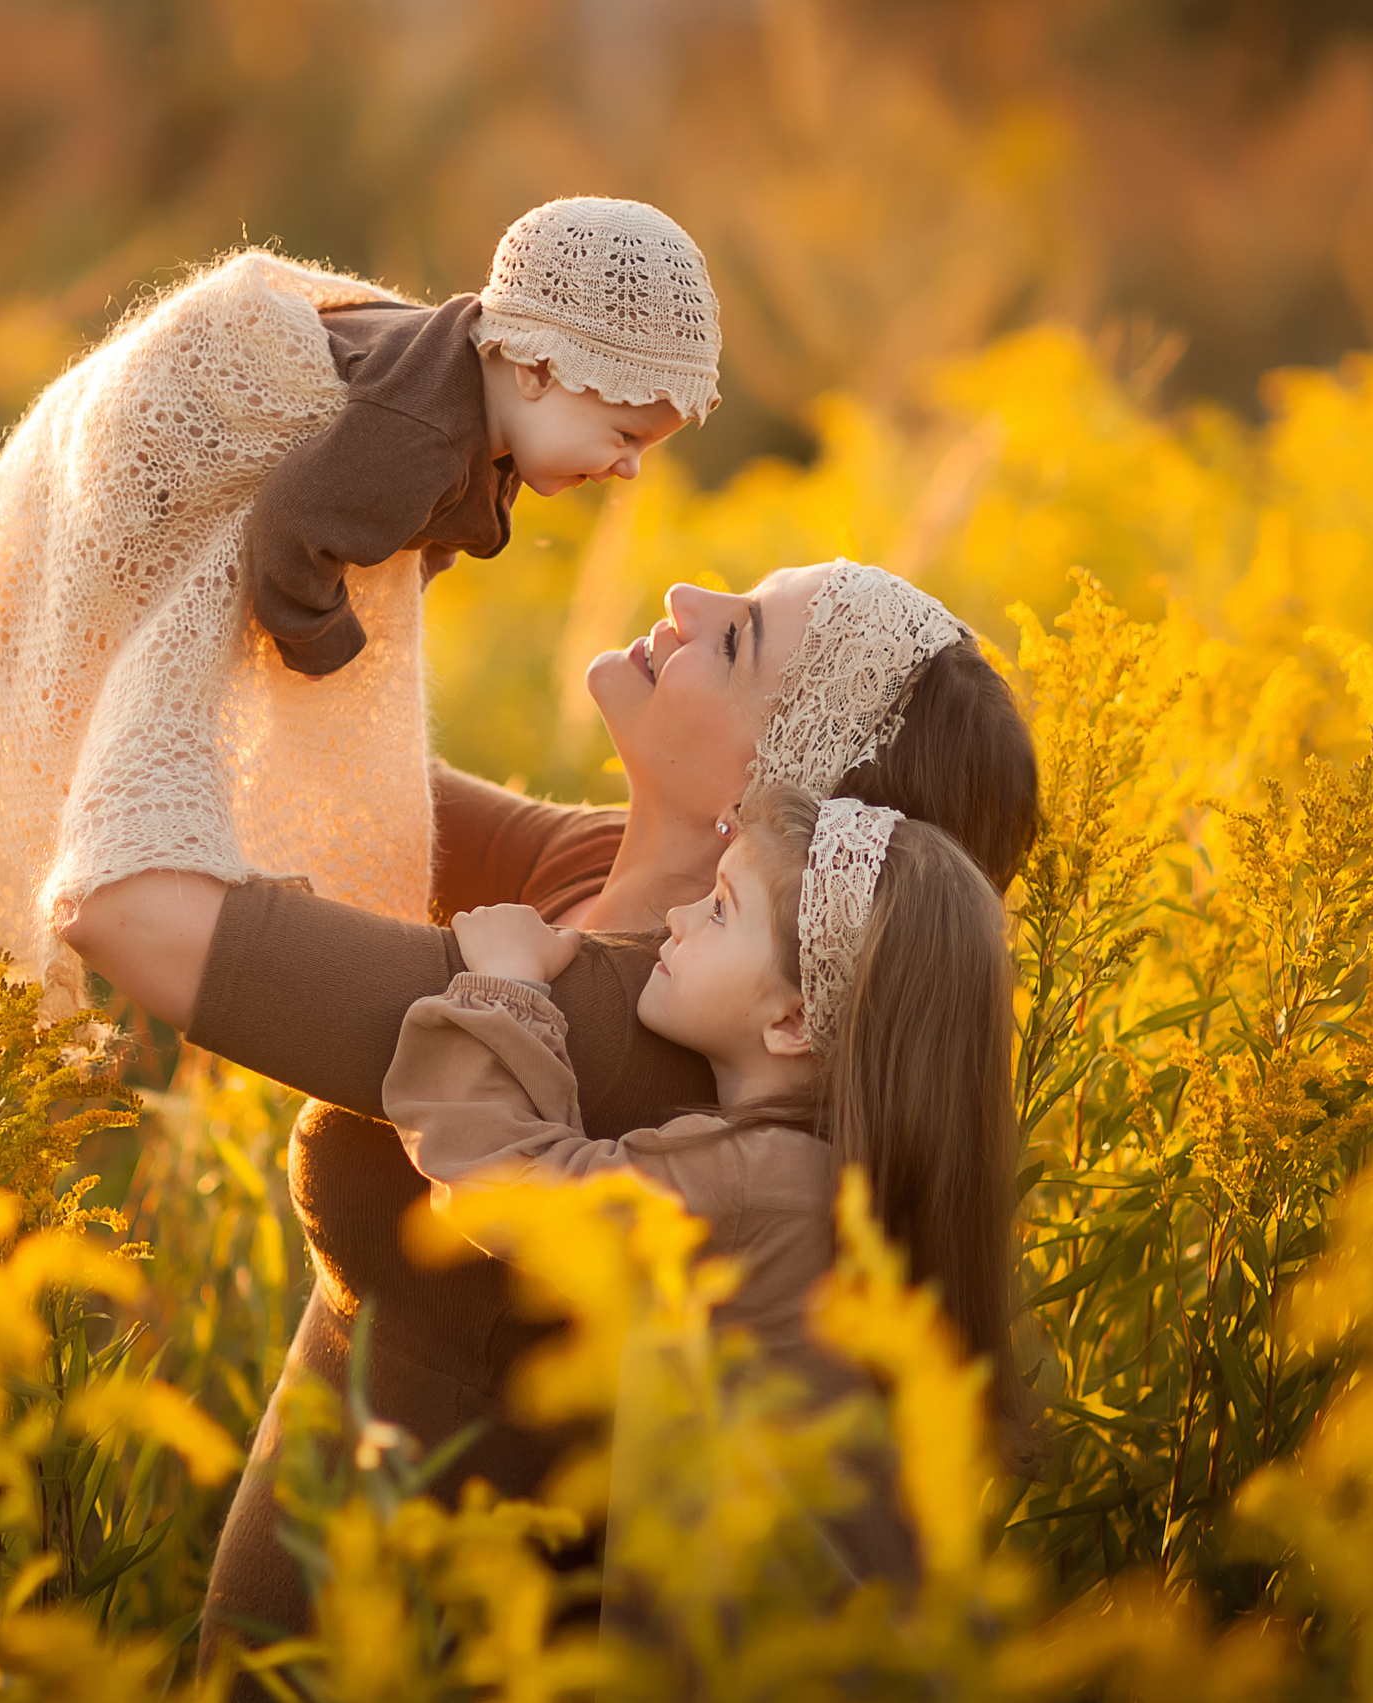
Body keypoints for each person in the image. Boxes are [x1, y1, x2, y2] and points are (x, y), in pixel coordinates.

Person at [61, 559, 1039, 1652]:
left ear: (773, 795)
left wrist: (89, 623)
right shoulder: (607, 870)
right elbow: (308, 759)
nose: (685, 599)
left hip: (397, 1652)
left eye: (736, 640)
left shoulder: (610, 1025)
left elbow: (123, 912)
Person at [0, 198, 721, 998]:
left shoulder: (466, 392)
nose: (630, 468)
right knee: (92, 725)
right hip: (151, 471)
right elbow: (291, 536)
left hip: (136, 436)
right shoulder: (420, 432)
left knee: (45, 716)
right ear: (535, 369)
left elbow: (409, 528)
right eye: (624, 434)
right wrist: (329, 653)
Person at [381, 780, 1025, 1588]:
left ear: (792, 1022)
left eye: (720, 908)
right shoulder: (837, 1178)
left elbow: (520, 1192)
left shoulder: (763, 1180)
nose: (678, 916)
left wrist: (509, 983)